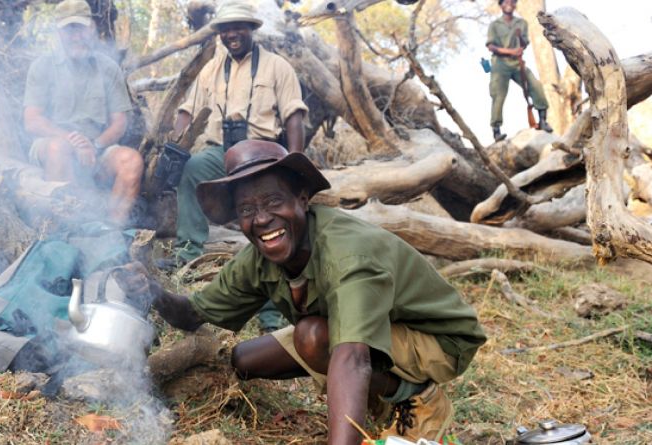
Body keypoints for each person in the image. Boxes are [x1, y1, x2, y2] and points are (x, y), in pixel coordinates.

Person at [148, 140, 487, 443]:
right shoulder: (258, 258)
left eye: (272, 201)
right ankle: (376, 397)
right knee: (244, 360)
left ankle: (415, 397)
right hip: (367, 331)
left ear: (302, 199)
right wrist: (151, 291)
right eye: (247, 210)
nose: (262, 219)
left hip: (439, 340)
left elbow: (351, 358)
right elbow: (193, 313)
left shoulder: (349, 254)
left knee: (314, 337)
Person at [167, 0, 308, 267]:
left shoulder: (277, 66)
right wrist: (173, 145)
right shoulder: (211, 69)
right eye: (225, 29)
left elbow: (294, 115)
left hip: (263, 152)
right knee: (191, 170)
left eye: (238, 28)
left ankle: (271, 257)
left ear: (250, 29)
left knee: (267, 202)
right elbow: (188, 110)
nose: (231, 34)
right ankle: (187, 254)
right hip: (221, 151)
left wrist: (296, 164)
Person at [23, 0, 143, 227]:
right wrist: (72, 140)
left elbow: (119, 123)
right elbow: (32, 121)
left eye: (80, 28)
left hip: (97, 147)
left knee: (131, 160)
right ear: (59, 32)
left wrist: (94, 145)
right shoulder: (43, 66)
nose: (76, 36)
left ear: (91, 28)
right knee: (58, 148)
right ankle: (66, 229)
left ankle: (109, 234)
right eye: (70, 29)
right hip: (53, 144)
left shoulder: (108, 68)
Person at [486, 0, 552, 141]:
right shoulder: (494, 25)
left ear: (515, 5)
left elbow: (524, 44)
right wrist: (510, 51)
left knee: (535, 85)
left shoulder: (522, 23)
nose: (509, 4)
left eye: (512, 1)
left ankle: (542, 120)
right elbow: (491, 46)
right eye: (506, 2)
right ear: (501, 5)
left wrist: (520, 39)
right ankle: (496, 130)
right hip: (500, 64)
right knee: (498, 94)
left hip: (517, 63)